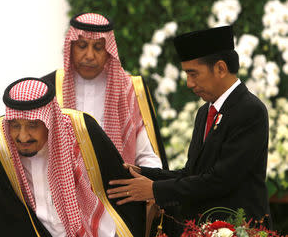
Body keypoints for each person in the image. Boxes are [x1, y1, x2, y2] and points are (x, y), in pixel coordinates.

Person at [0, 78, 146, 237]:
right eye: (15, 125)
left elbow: (123, 200)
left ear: (50, 121)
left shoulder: (83, 132)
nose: (23, 136)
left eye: (32, 125)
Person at [107, 26, 271, 225]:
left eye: (193, 74)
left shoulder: (249, 110)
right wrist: (144, 173)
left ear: (220, 68)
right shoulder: (205, 112)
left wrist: (154, 190)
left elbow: (220, 180)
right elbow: (191, 173)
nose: (189, 83)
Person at [42, 12, 167, 169]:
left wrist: (148, 184)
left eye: (98, 48)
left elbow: (145, 156)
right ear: (71, 46)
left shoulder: (126, 89)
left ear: (108, 51)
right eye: (82, 46)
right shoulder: (49, 88)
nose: (89, 56)